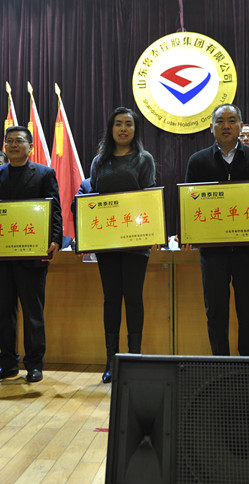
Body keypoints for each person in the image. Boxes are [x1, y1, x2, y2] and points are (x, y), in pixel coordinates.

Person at [0, 126, 62, 384]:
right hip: (0, 257)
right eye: (9, 141)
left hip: (32, 256)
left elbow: (55, 211)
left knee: (33, 313)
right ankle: (7, 363)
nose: (13, 145)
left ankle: (34, 365)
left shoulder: (44, 173)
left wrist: (55, 239)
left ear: (30, 147)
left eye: (19, 141)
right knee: (4, 312)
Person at [184, 104, 249, 356]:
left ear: (240, 126)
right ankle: (220, 367)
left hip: (247, 251)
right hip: (213, 254)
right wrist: (188, 231)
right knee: (215, 313)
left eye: (232, 120)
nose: (226, 126)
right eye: (220, 121)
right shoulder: (198, 161)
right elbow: (190, 204)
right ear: (211, 127)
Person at [88, 107, 156, 383]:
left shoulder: (144, 159)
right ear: (111, 128)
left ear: (135, 129)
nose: (123, 128)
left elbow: (149, 197)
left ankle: (134, 357)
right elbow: (93, 198)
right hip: (107, 241)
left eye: (129, 124)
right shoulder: (99, 161)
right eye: (118, 124)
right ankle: (111, 360)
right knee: (111, 299)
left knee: (134, 298)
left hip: (136, 242)